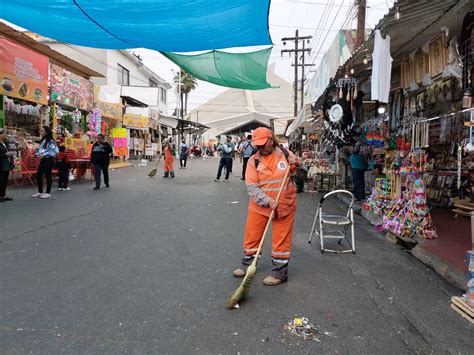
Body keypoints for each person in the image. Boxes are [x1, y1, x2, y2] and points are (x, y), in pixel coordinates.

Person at [233, 127, 302, 286]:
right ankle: (248, 264)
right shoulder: (253, 161)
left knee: (281, 239)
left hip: (285, 204)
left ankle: (280, 272)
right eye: (258, 145)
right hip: (260, 206)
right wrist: (268, 201)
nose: (261, 148)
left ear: (271, 140)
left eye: (263, 144)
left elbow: (296, 170)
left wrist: (297, 162)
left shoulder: (284, 154)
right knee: (252, 235)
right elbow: (252, 188)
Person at [32, 126, 58, 199]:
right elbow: (41, 150)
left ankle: (48, 192)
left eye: (42, 131)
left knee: (47, 175)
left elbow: (55, 151)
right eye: (40, 131)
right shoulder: (43, 140)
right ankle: (40, 191)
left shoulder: (51, 141)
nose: (40, 132)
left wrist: (45, 154)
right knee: (39, 175)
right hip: (43, 159)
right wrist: (36, 153)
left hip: (49, 159)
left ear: (46, 132)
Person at [0, 128, 14, 202]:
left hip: (6, 164)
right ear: (0, 134)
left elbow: (9, 152)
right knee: (1, 181)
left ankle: (3, 195)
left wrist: (11, 163)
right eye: (5, 133)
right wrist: (5, 155)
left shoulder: (6, 143)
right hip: (1, 165)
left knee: (5, 181)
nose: (6, 135)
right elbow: (3, 154)